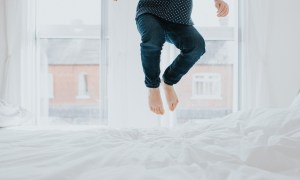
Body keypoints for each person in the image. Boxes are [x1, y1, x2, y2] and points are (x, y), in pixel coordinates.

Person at [117, 0, 229, 115]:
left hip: (179, 19)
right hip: (150, 11)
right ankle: (153, 87)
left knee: (196, 46)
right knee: (153, 39)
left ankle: (168, 81)